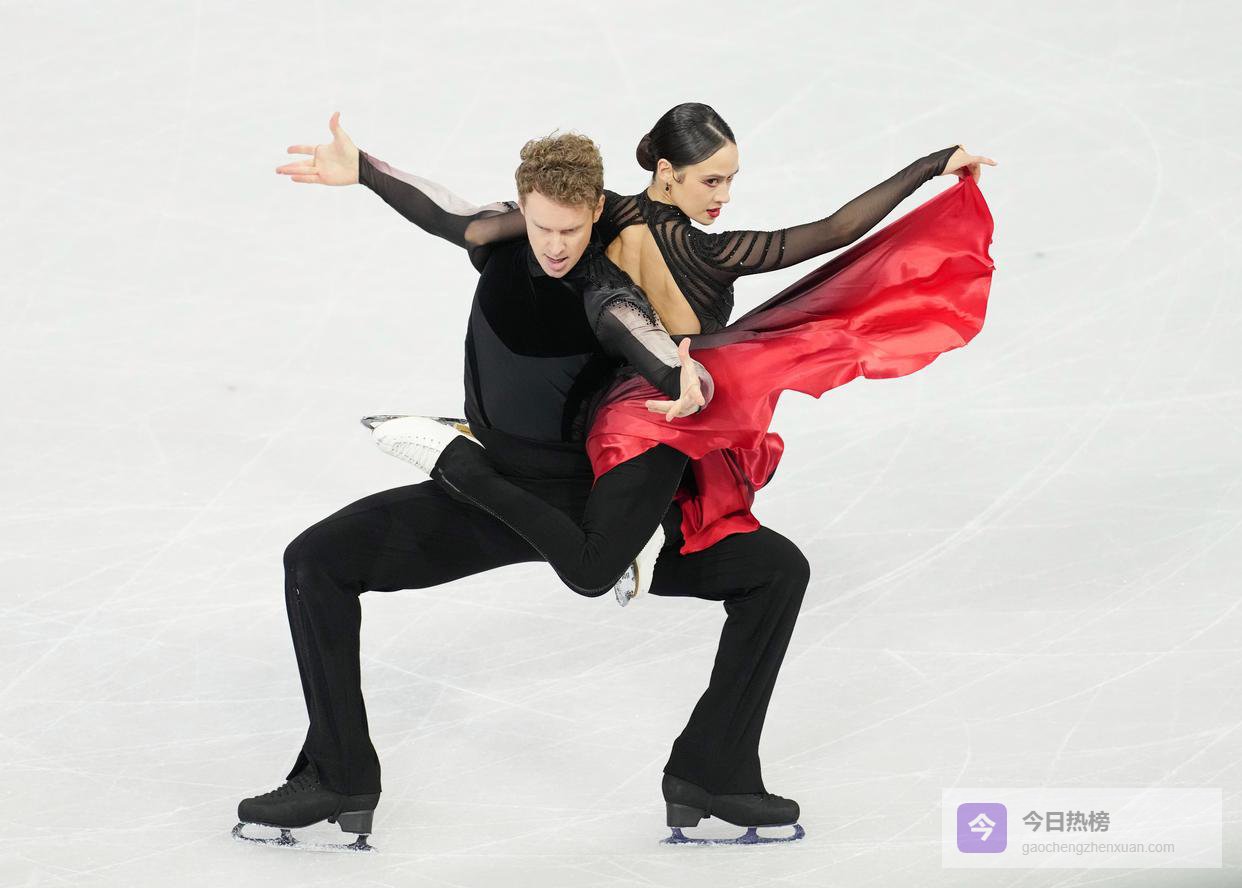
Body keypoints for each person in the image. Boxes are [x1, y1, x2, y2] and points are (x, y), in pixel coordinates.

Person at [240, 128, 811, 848]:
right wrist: (365, 170)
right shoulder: (499, 241)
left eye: (571, 229)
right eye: (541, 226)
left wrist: (683, 376)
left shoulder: (605, 291)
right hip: (490, 500)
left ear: (596, 210)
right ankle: (338, 773)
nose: (556, 245)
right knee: (315, 562)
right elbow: (443, 211)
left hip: (579, 507)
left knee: (774, 572)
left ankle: (714, 769)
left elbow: (644, 338)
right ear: (522, 209)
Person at [326, 103, 996, 602]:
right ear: (669, 174)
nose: (724, 197)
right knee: (704, 427)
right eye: (712, 182)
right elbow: (833, 231)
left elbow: (460, 220)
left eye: (730, 181)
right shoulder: (710, 252)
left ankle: (630, 531)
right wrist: (930, 165)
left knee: (691, 431)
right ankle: (483, 463)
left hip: (616, 385)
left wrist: (365, 170)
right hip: (643, 395)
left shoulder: (605, 210)